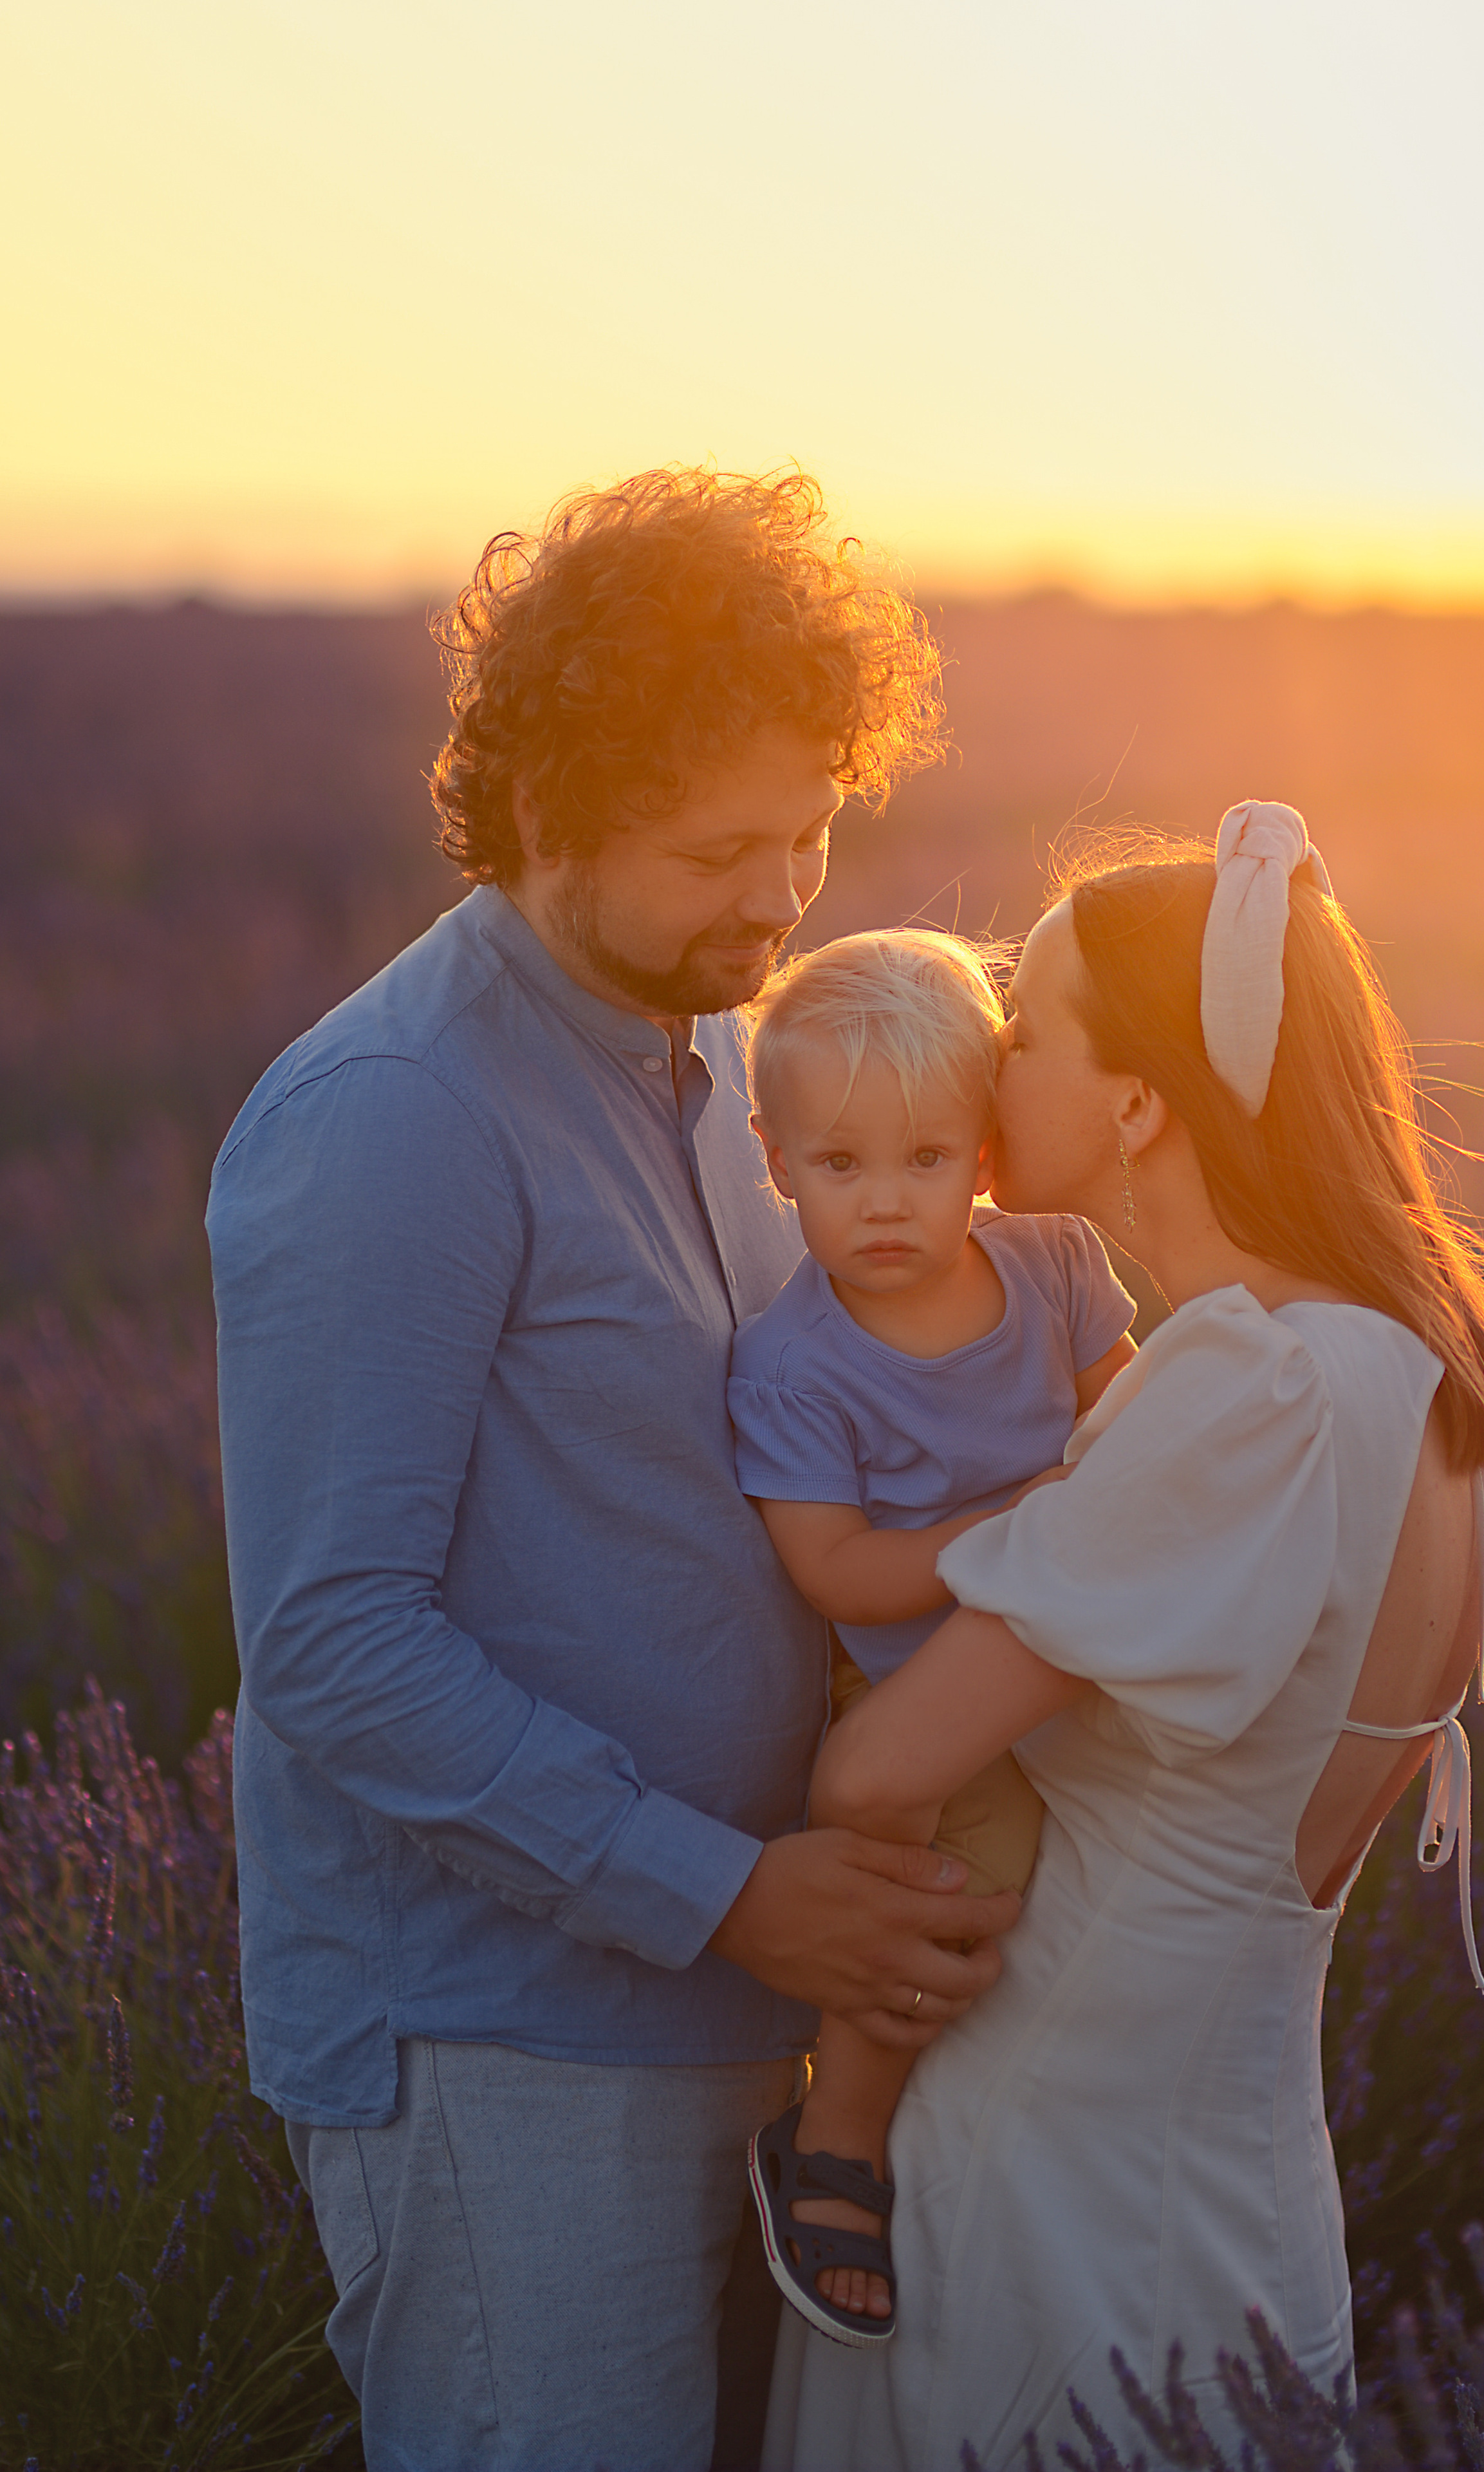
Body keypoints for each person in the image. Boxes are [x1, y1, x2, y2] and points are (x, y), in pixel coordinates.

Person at [205, 467, 1025, 2472]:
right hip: (510, 2055)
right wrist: (731, 1892)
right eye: (718, 848)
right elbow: (332, 1644)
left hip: (757, 2005)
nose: (782, 897)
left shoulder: (729, 1065)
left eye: (812, 831)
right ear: (550, 806)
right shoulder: (396, 1119)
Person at [762, 803, 1484, 2471]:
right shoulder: (1410, 1367)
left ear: (1134, 1102)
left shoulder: (1244, 1383)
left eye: (1026, 1031)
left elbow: (883, 1768)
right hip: (1238, 2187)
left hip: (1061, 2180)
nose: (990, 1076)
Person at [724, 930, 1136, 2342]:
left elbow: (1132, 1418)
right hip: (916, 1684)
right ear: (774, 1163)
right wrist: (1028, 1518)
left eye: (924, 1160)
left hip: (1074, 1658)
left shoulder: (1058, 1269)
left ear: (986, 1152)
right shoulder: (792, 1365)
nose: (884, 1204)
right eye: (837, 1168)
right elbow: (837, 1571)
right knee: (949, 1903)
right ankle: (832, 2140)